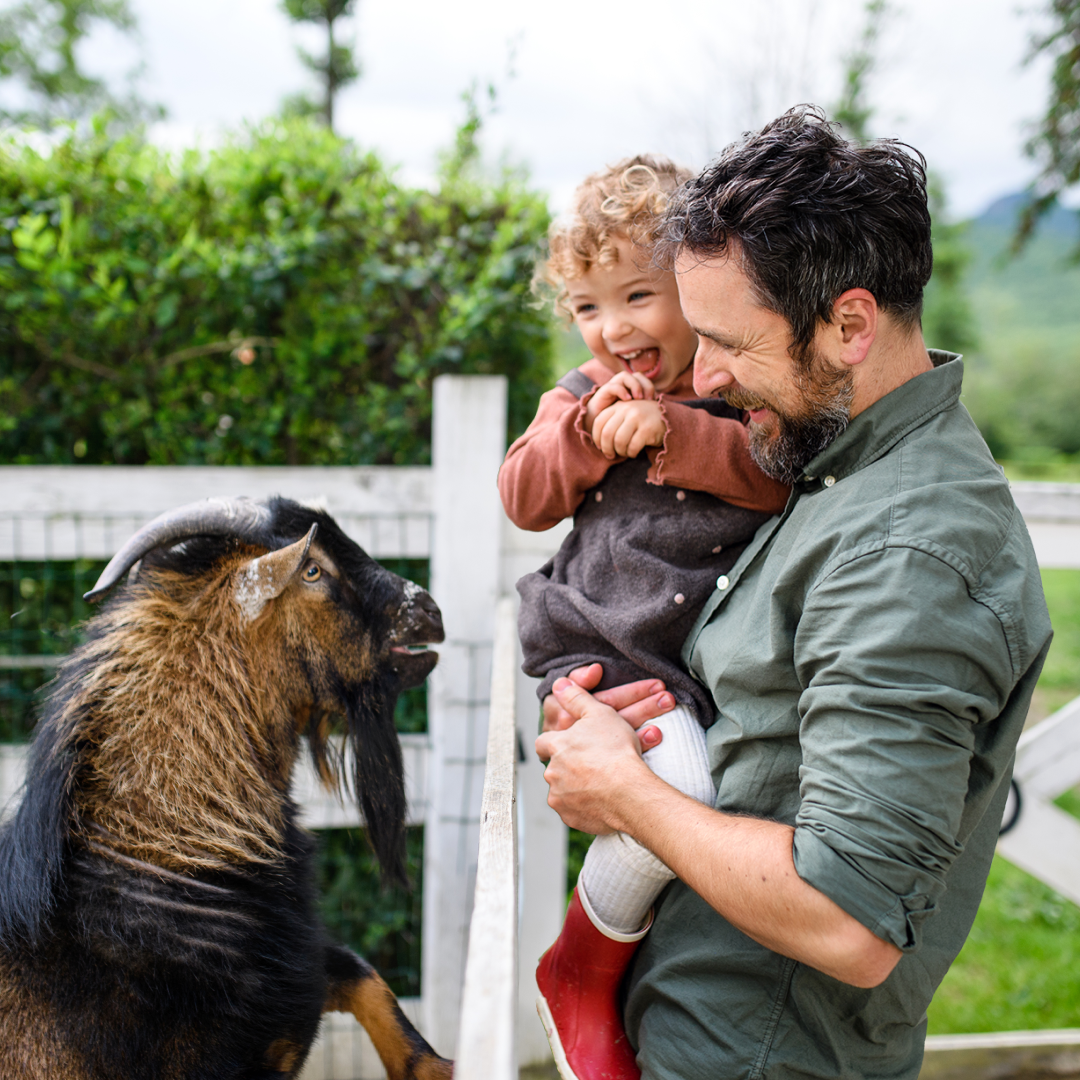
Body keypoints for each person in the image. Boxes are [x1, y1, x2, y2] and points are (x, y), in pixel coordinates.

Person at [535, 107, 1054, 1080]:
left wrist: (628, 796)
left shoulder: (912, 550)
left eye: (729, 342)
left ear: (850, 324)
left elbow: (850, 919)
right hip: (691, 1018)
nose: (709, 376)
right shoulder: (827, 459)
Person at [498, 155, 789, 1080]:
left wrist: (678, 430)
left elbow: (771, 481)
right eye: (588, 307)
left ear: (695, 290)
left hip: (693, 660)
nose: (614, 327)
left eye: (638, 295)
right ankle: (581, 967)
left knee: (702, 808)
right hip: (597, 645)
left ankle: (635, 969)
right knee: (684, 799)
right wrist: (582, 436)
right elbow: (522, 495)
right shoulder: (576, 397)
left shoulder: (739, 400)